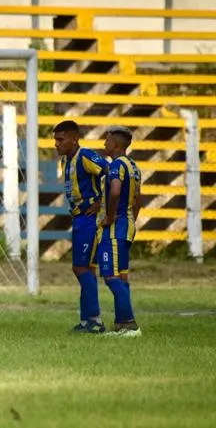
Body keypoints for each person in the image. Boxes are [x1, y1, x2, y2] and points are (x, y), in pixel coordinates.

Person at [53, 120, 109, 334]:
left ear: (74, 138)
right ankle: (87, 321)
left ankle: (94, 320)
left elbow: (110, 171)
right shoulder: (66, 161)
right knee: (86, 269)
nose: (56, 144)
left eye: (60, 139)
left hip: (89, 219)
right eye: (55, 140)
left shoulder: (85, 155)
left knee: (80, 268)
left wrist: (101, 202)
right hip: (78, 218)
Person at [100, 126, 143, 337]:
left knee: (110, 276)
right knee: (122, 277)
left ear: (116, 145)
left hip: (115, 228)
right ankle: (120, 324)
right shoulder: (134, 166)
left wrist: (109, 216)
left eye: (107, 141)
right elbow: (138, 200)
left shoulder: (117, 165)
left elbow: (115, 190)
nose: (104, 144)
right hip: (128, 225)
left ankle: (129, 324)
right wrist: (132, 218)